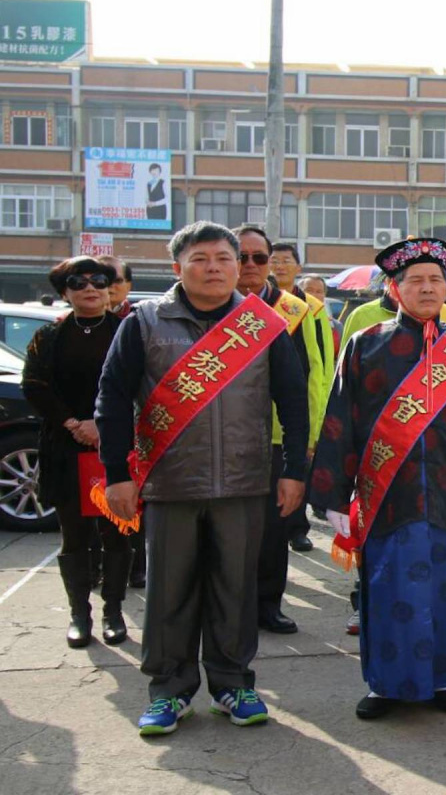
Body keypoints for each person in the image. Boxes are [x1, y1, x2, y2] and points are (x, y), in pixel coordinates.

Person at [95, 221, 308, 735]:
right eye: (199, 259)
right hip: (171, 482)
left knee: (235, 588)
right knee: (169, 591)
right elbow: (112, 400)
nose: (213, 267)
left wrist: (295, 470)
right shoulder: (143, 322)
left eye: (223, 258)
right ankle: (168, 690)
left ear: (239, 266)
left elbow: (293, 401)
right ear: (177, 267)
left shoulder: (263, 324)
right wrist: (118, 474)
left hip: (244, 481)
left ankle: (234, 684)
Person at [308, 237, 446, 721]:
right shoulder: (366, 344)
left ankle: (442, 679)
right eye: (415, 280)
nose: (427, 288)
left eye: (435, 280)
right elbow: (340, 420)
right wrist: (333, 492)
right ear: (395, 290)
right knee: (390, 588)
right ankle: (387, 685)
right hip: (386, 494)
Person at [22, 256, 131, 648]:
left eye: (99, 280)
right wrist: (74, 424)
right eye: (78, 282)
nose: (90, 287)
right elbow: (34, 385)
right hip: (66, 447)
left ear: (110, 288)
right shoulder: (49, 337)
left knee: (118, 534)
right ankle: (79, 615)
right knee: (74, 536)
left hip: (116, 447)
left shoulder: (127, 331)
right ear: (65, 292)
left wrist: (104, 426)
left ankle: (113, 613)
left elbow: (146, 385)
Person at [231, 226, 322, 634]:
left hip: (275, 436)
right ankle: (225, 608)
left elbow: (314, 374)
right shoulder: (208, 304)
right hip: (217, 436)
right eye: (241, 256)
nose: (250, 265)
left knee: (272, 530)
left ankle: (268, 604)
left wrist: (310, 438)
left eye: (259, 258)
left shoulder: (295, 310)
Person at [269, 242, 336, 553]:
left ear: (298, 265)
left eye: (286, 260)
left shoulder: (311, 307)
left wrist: (320, 409)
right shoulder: (255, 302)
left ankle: (298, 528)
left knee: (296, 466)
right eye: (274, 260)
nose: (279, 266)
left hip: (300, 399)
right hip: (260, 407)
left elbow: (320, 361)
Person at [97, 256, 145, 589]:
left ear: (127, 285)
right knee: (91, 520)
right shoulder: (59, 328)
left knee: (135, 512)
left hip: (136, 435)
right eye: (90, 280)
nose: (103, 288)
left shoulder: (140, 323)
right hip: (80, 434)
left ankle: (136, 568)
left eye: (112, 280)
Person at [298, 274, 344, 359]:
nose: (314, 295)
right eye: (309, 290)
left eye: (319, 292)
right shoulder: (291, 321)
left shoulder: (335, 326)